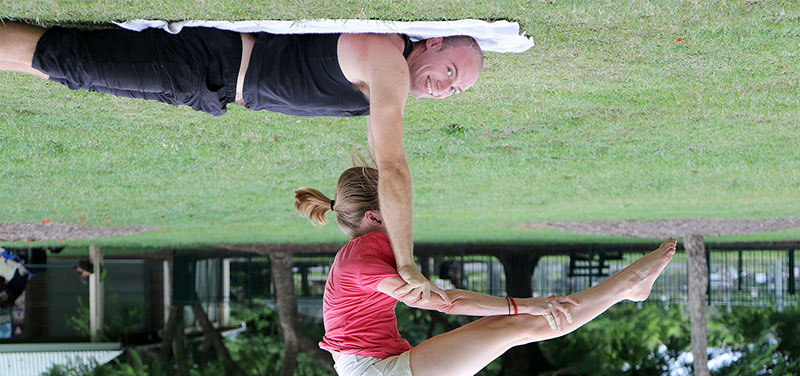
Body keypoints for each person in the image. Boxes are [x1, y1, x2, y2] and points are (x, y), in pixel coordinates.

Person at [0, 21, 484, 302]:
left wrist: (370, 228)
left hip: (211, 86)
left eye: (457, 89)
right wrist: (406, 262)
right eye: (449, 71)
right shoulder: (388, 60)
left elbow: (380, 167)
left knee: (69, 71)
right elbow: (394, 167)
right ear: (434, 42)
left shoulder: (391, 76)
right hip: (208, 62)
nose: (445, 88)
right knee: (68, 59)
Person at [294, 165, 678, 376]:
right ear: (374, 218)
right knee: (521, 324)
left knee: (520, 325)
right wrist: (525, 302)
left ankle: (630, 287)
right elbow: (447, 302)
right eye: (394, 208)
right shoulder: (363, 255)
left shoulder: (364, 250)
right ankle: (629, 286)